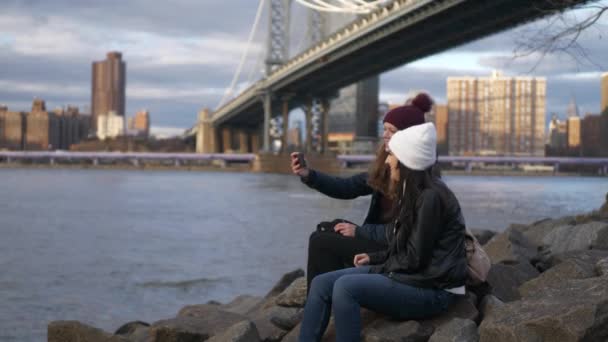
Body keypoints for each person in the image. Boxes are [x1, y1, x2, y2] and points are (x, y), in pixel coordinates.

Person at [299, 122, 468, 342]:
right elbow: (402, 241)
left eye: (392, 156)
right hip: (413, 276)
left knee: (345, 288)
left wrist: (376, 266)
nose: (387, 161)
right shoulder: (412, 190)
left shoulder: (430, 198)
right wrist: (373, 256)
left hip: (434, 290)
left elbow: (414, 259)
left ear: (406, 162)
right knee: (322, 283)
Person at [290, 93, 434, 291]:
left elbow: (406, 233)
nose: (384, 135)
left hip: (394, 252)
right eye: (384, 129)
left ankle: (324, 299)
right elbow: (346, 187)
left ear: (408, 136)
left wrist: (359, 231)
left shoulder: (420, 180)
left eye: (391, 130)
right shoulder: (385, 168)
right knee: (326, 228)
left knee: (320, 241)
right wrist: (309, 175)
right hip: (378, 240)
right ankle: (327, 294)